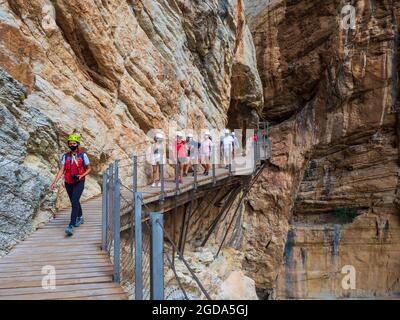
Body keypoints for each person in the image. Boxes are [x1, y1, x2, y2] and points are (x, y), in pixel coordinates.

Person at [51, 133, 91, 236]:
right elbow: (62, 170)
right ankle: (80, 217)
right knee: (75, 201)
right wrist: (55, 181)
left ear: (77, 144)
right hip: (68, 182)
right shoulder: (65, 156)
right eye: (70, 143)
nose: (72, 145)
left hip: (79, 182)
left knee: (74, 201)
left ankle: (71, 225)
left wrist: (81, 175)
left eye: (74, 143)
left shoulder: (83, 156)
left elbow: (89, 169)